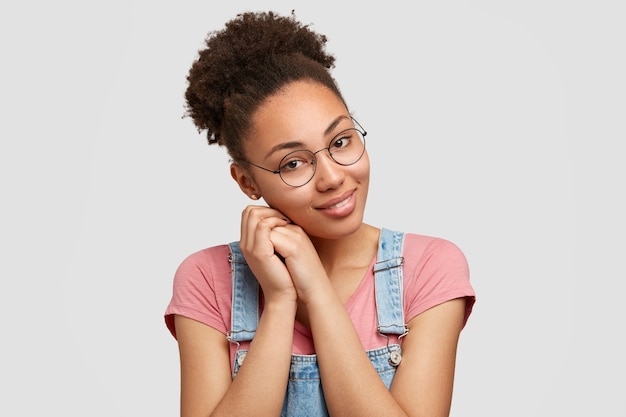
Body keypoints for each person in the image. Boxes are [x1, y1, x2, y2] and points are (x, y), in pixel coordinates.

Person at [164, 10, 476, 417]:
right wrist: (279, 300)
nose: (332, 177)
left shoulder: (428, 268)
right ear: (247, 182)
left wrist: (316, 290)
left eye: (342, 141)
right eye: (294, 163)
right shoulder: (207, 279)